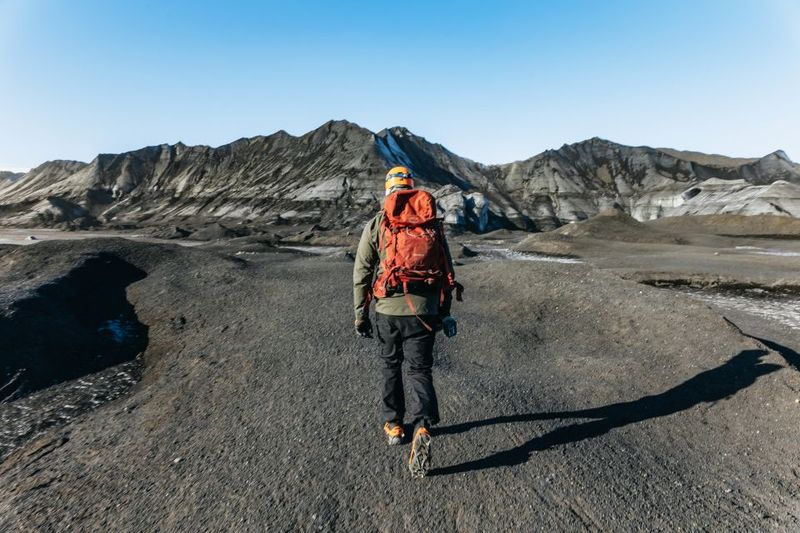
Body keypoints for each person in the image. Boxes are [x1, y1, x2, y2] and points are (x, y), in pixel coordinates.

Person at [352, 166, 460, 478]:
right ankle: (423, 427)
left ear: (387, 190)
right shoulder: (431, 223)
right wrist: (444, 312)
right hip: (423, 312)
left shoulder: (378, 223)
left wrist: (361, 315)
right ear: (412, 188)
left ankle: (394, 425)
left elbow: (361, 272)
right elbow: (446, 271)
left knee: (390, 366)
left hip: (387, 311)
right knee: (420, 369)